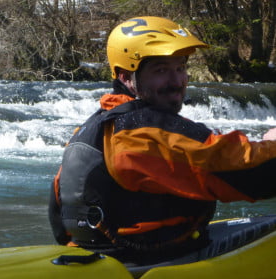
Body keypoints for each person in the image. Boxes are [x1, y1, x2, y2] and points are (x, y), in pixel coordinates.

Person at [48, 16, 276, 263]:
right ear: (126, 77)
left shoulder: (92, 128)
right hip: (154, 264)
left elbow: (59, 219)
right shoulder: (142, 133)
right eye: (161, 71)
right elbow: (251, 174)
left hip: (100, 260)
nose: (177, 82)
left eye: (180, 68)